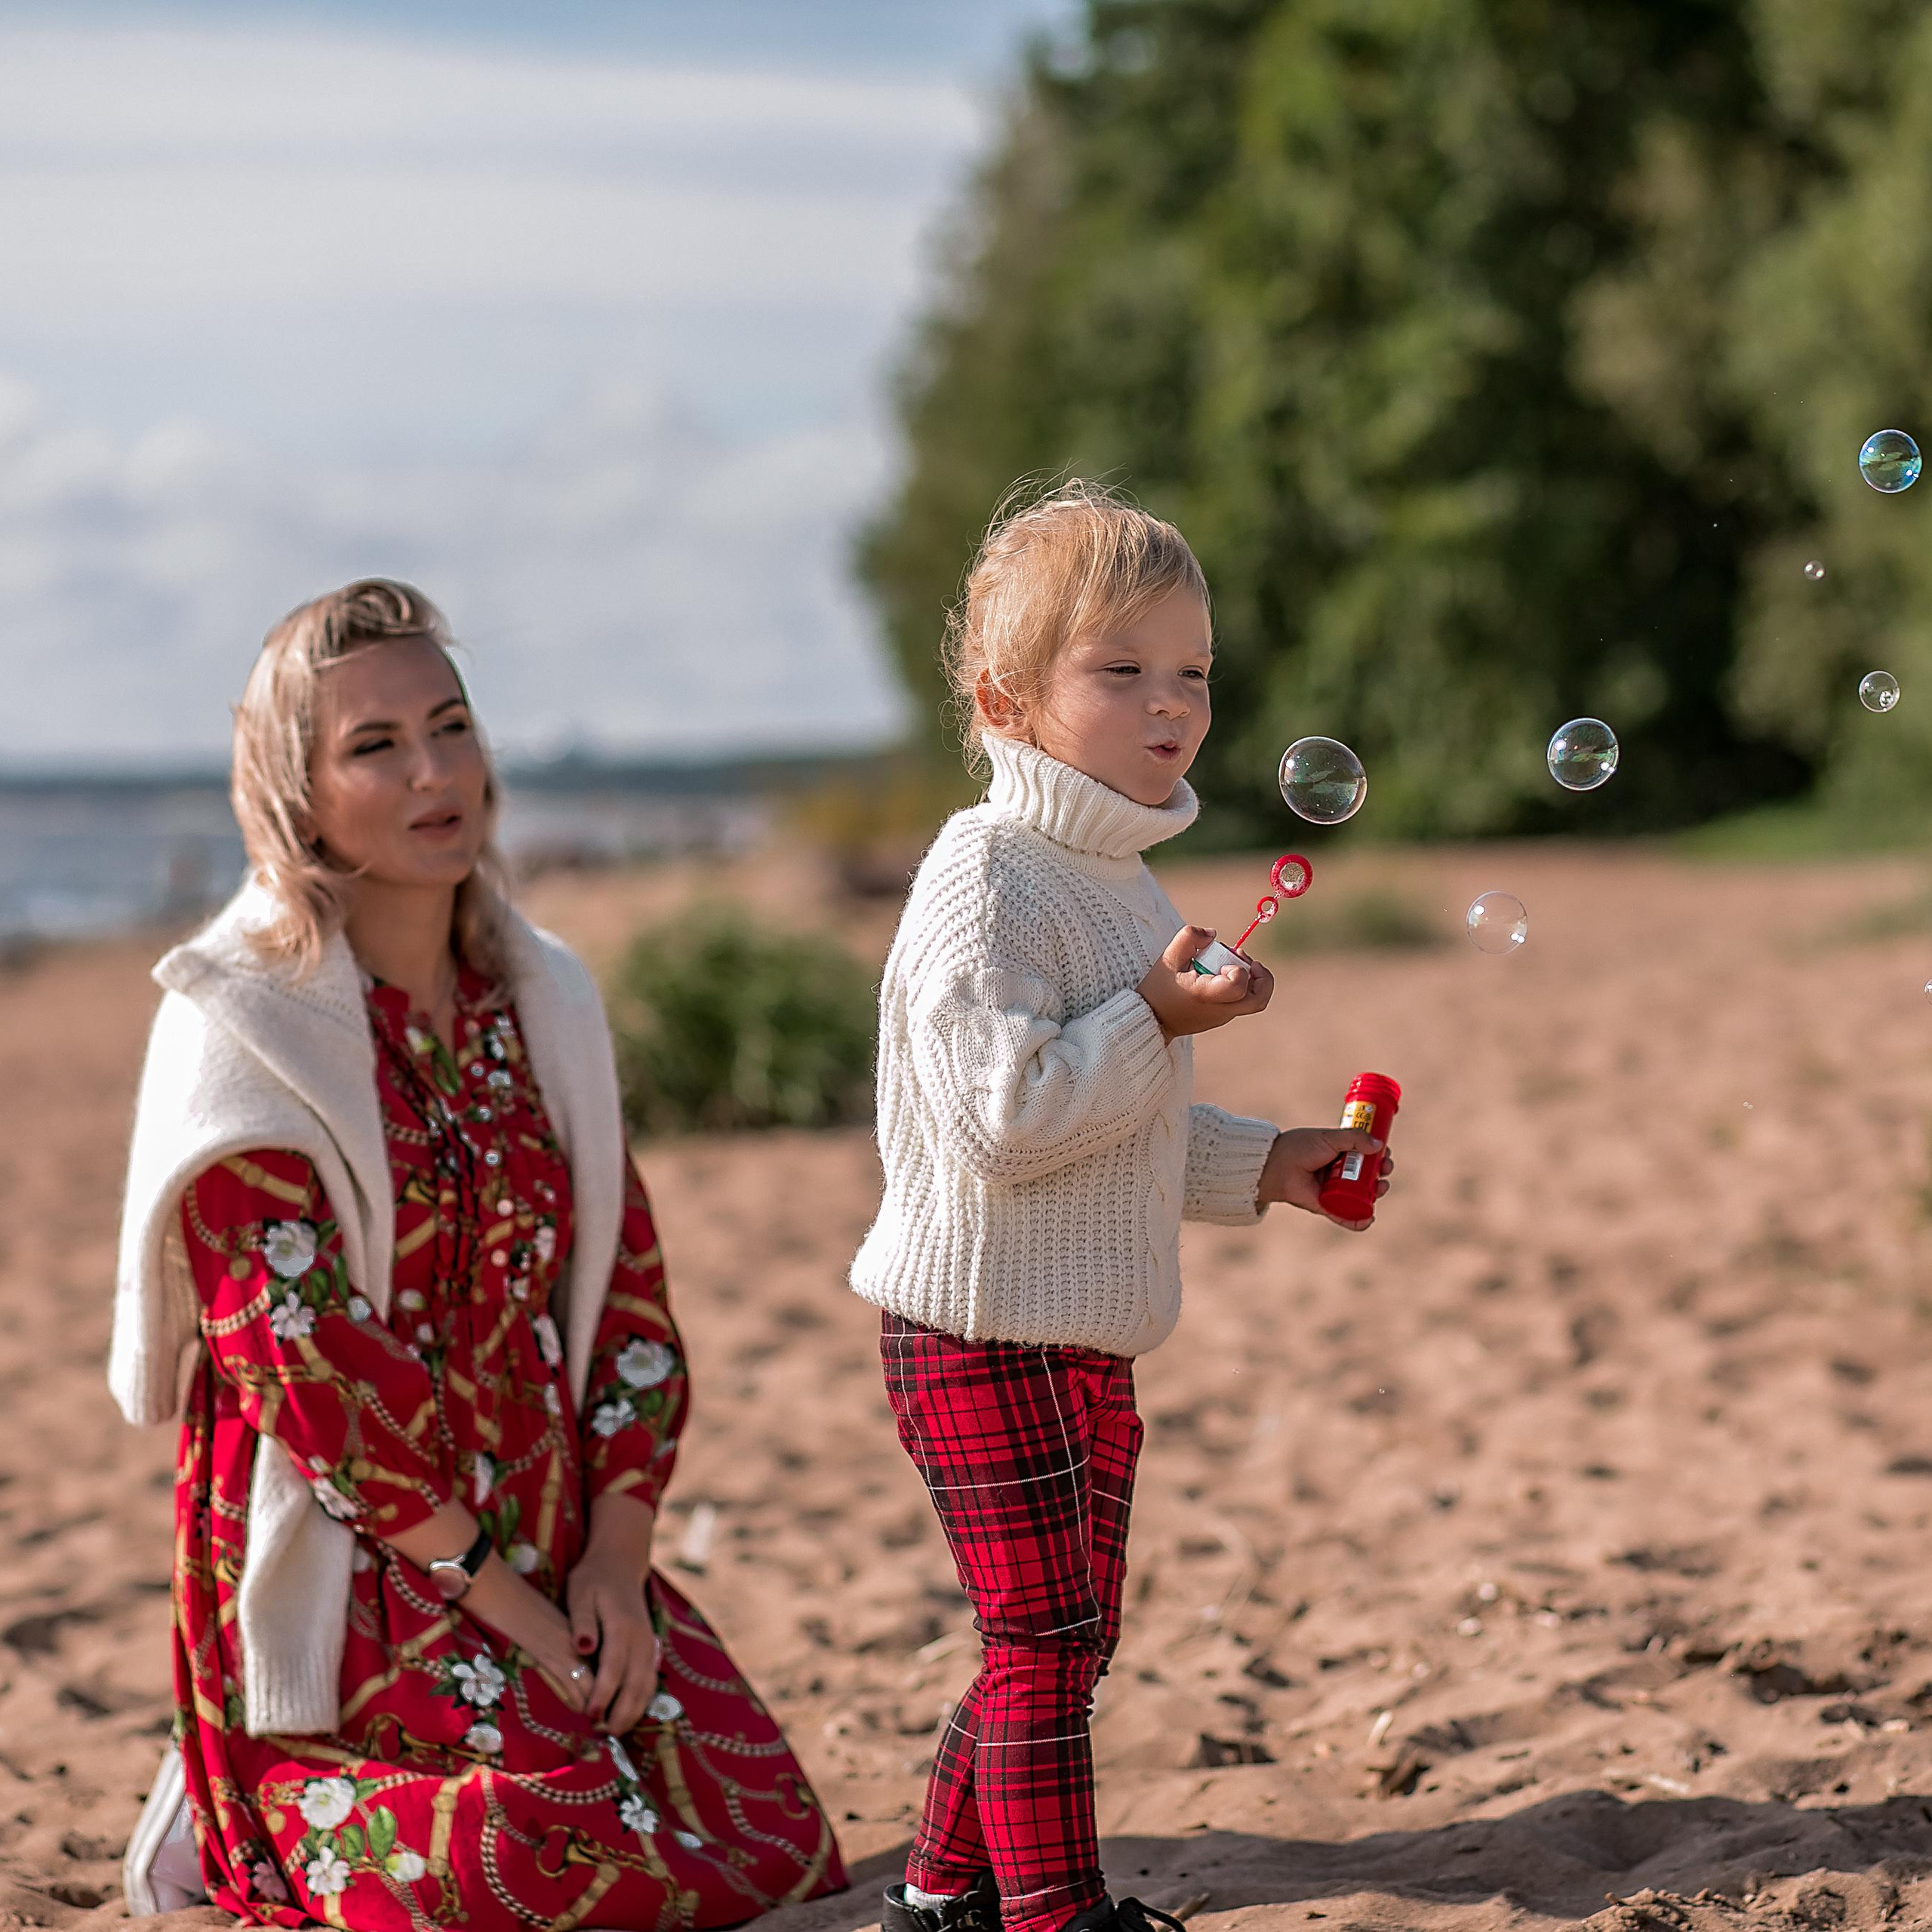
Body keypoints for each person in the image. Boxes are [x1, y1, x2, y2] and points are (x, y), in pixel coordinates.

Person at [112, 580, 845, 1929]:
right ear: (297, 789)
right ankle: (241, 1794)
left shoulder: (543, 994)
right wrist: (501, 1601)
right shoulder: (241, 1027)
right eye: (376, 746)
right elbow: (302, 1367)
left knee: (770, 1839)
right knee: (535, 1859)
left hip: (555, 1522)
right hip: (363, 1545)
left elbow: (628, 1293)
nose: (436, 772)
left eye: (450, 726)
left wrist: (614, 1566)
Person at [850, 486, 1394, 1932]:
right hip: (974, 1327)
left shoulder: (1110, 874)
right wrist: (1154, 1007)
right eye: (1125, 671)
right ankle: (1055, 1911)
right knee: (1040, 1635)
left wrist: (1266, 1162)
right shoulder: (985, 877)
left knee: (1063, 1644)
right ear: (1007, 699)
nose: (1174, 706)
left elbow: (1120, 1129)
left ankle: (934, 1898)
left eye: (1195, 674)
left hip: (1080, 1326)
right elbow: (1011, 1121)